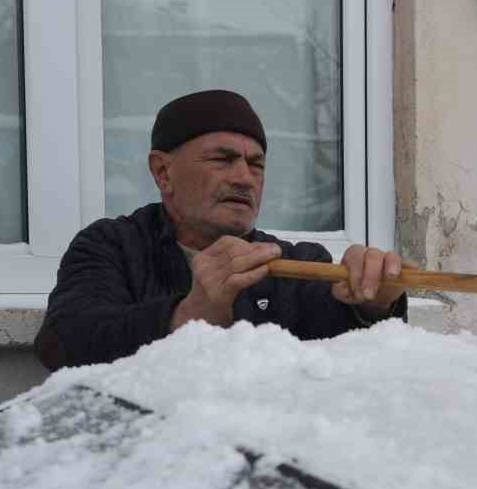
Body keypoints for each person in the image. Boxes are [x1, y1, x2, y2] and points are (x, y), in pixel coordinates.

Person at [34, 90, 407, 371]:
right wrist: (189, 314)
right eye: (222, 159)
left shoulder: (296, 264)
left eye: (256, 164)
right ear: (163, 172)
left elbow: (355, 370)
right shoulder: (112, 247)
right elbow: (64, 343)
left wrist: (371, 305)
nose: (244, 178)